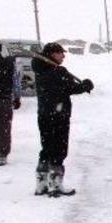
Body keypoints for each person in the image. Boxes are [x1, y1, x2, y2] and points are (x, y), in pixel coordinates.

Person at [32, 43, 93, 197]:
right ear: (52, 54)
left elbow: (61, 87)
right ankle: (55, 185)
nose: (63, 56)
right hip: (58, 117)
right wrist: (85, 85)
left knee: (46, 148)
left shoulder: (39, 69)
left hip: (44, 115)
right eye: (60, 53)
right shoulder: (58, 71)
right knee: (58, 150)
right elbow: (72, 88)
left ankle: (41, 183)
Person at [0, 41, 21, 166]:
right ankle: (2, 154)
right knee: (4, 127)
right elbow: (16, 81)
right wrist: (17, 97)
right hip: (4, 99)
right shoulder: (9, 63)